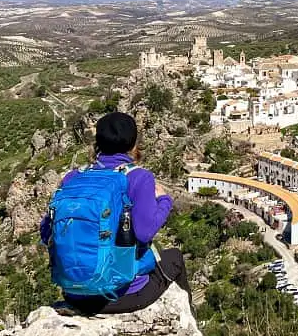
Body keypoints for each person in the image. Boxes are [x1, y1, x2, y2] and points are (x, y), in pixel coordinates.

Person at [40, 111, 191, 314]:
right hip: (122, 295)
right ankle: (187, 326)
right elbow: (144, 232)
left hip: (74, 294)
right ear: (133, 144)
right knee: (174, 257)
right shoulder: (138, 177)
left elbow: (46, 232)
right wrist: (164, 201)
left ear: (98, 143)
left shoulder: (73, 177)